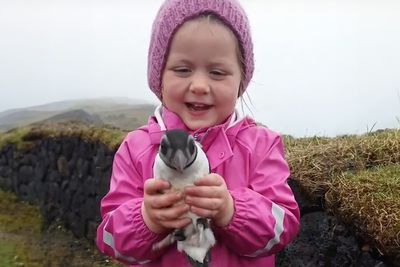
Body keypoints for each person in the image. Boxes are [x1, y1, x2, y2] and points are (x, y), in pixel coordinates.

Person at [96, 0, 300, 266]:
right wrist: (146, 219)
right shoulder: (135, 149)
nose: (200, 85)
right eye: (183, 69)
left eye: (217, 72)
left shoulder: (261, 146)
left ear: (241, 81)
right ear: (159, 77)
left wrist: (231, 210)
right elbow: (111, 241)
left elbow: (282, 230)